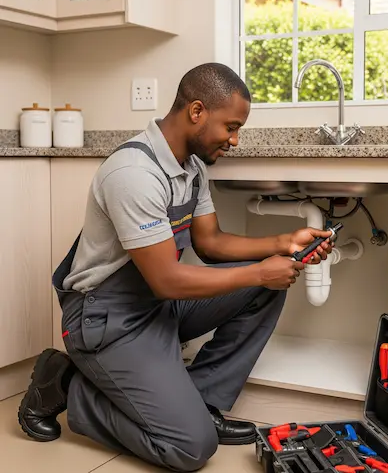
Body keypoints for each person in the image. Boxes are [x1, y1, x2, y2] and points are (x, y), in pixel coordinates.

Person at [17, 63, 333, 471]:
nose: (235, 141)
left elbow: (211, 243)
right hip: (105, 316)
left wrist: (282, 244)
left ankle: (200, 404)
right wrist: (260, 270)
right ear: (197, 112)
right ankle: (68, 383)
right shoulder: (134, 173)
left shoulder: (191, 167)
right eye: (231, 127)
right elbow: (167, 279)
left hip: (154, 306)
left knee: (268, 282)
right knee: (190, 448)